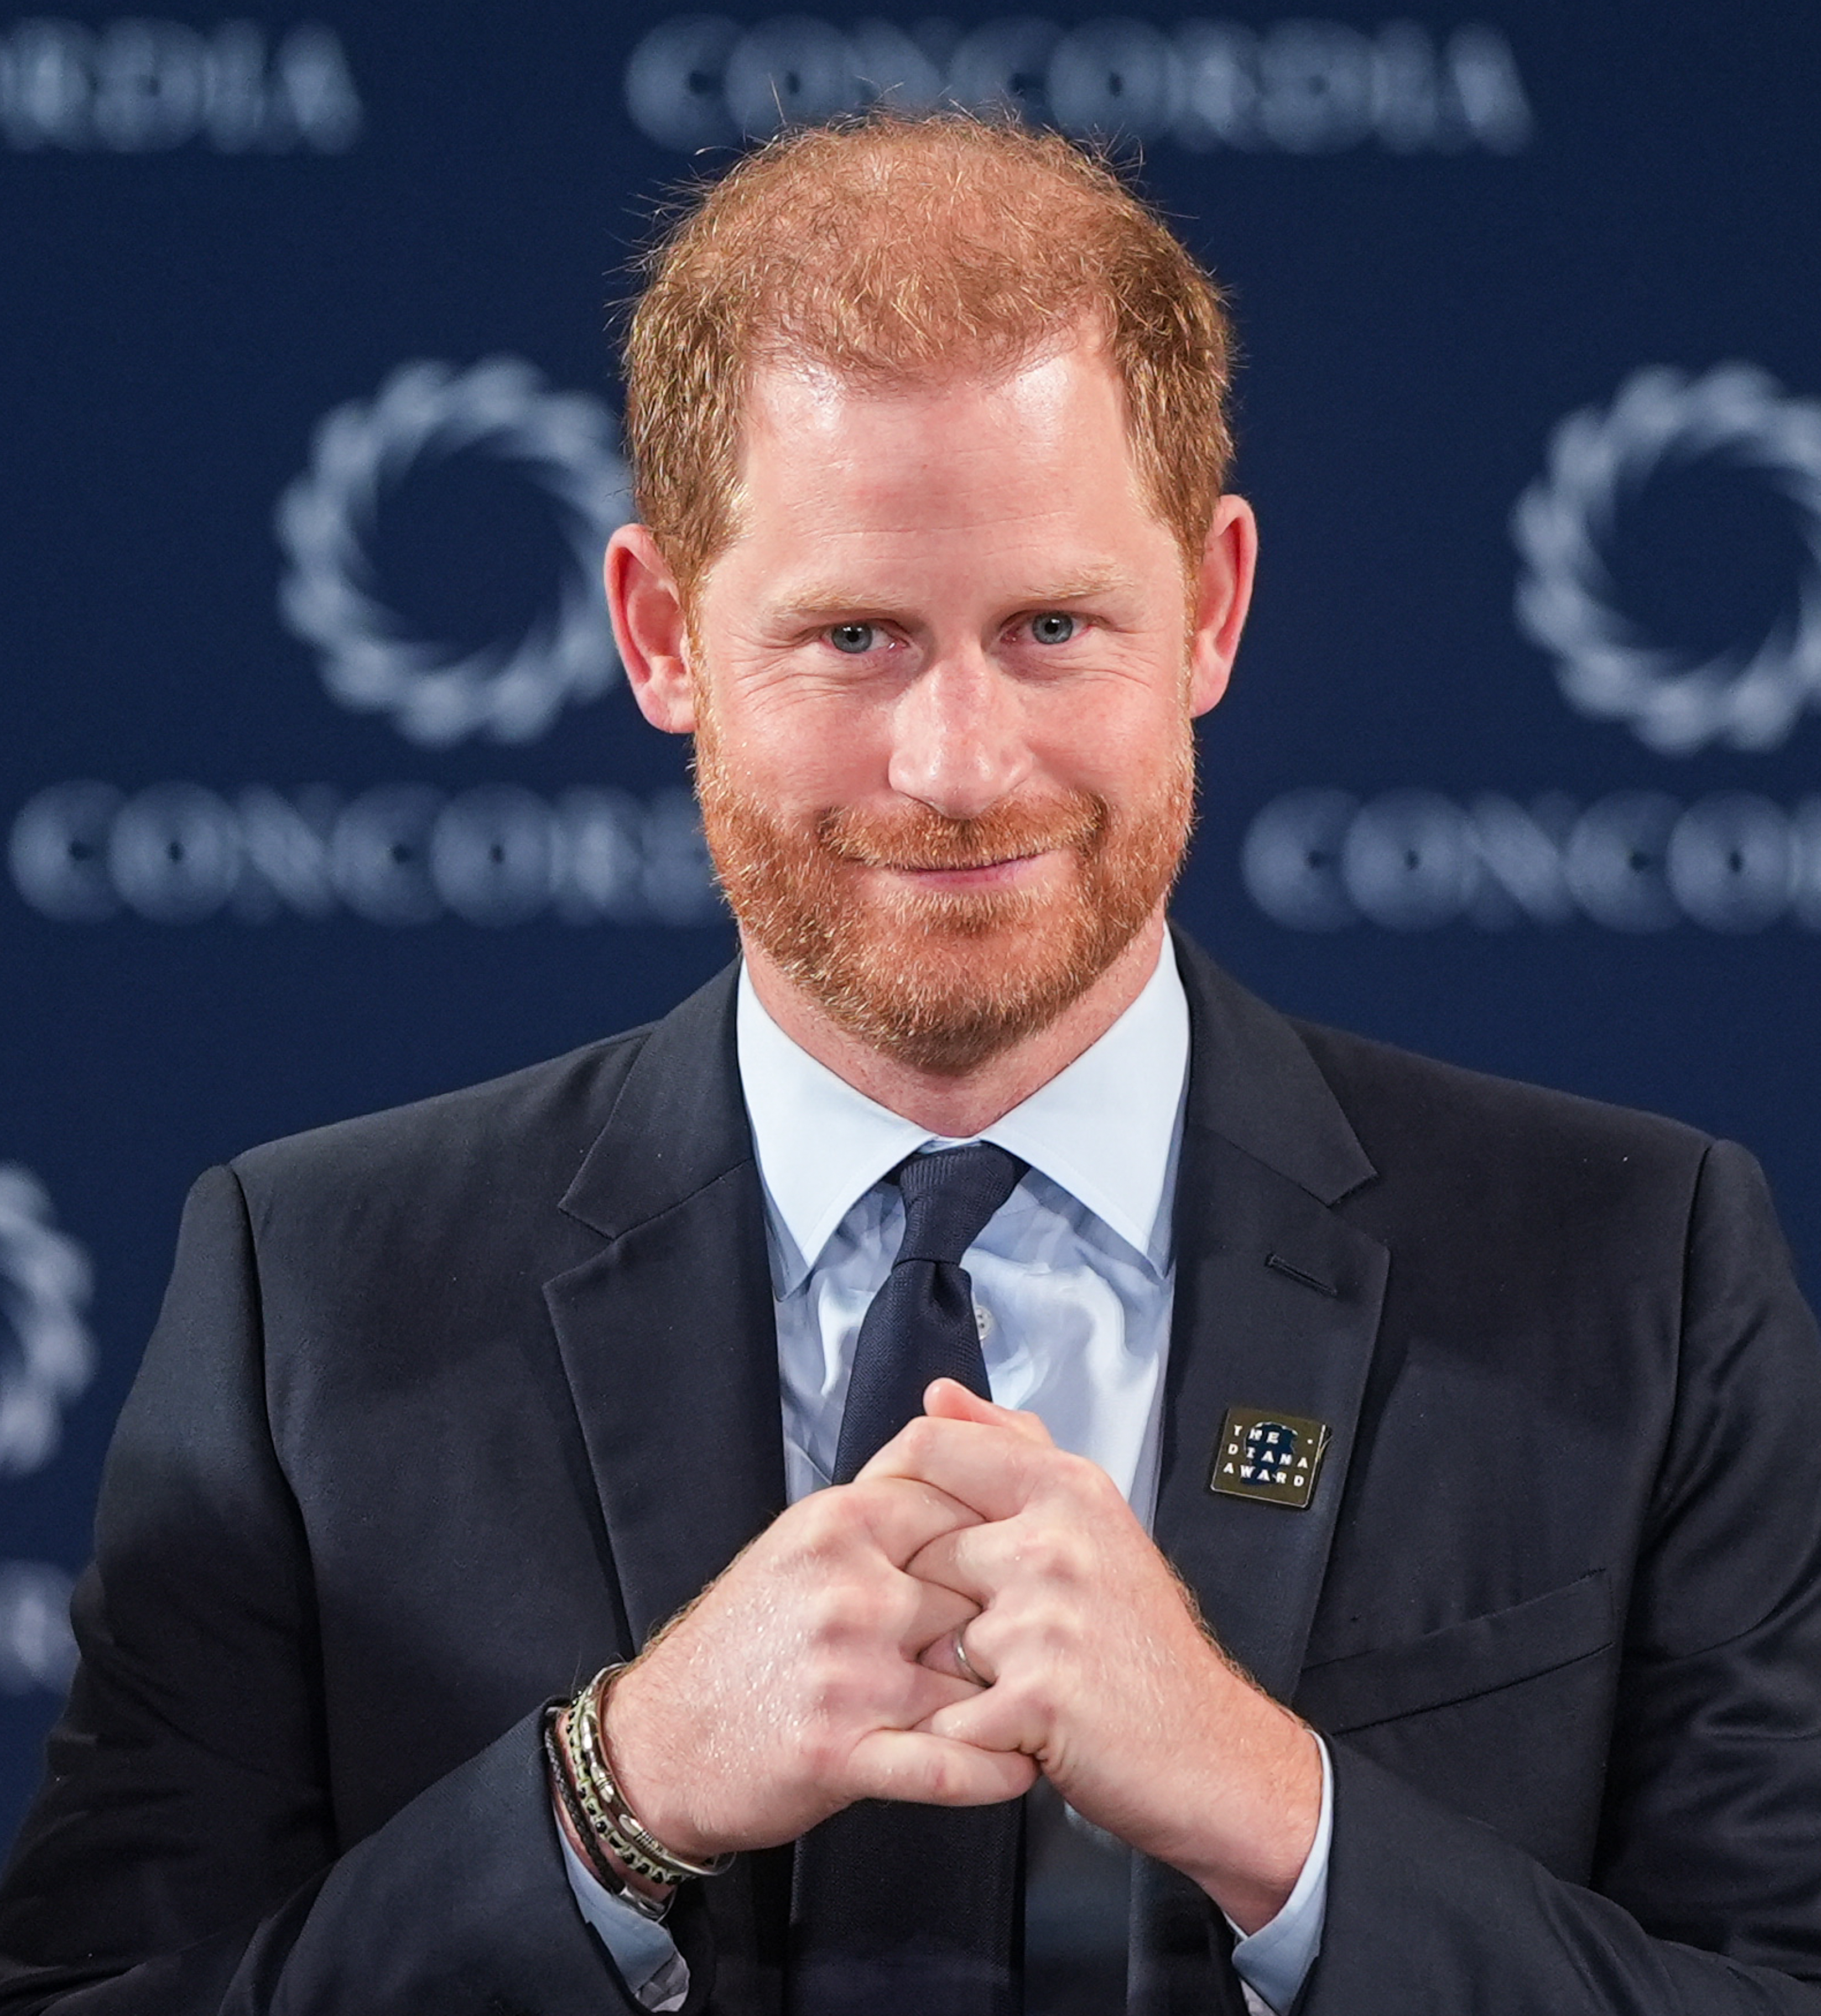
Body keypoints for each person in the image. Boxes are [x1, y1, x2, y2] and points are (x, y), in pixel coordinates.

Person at [3, 112, 1820, 2016]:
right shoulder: (314, 1292)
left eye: (1051, 626)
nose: (957, 767)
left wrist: (1285, 1822)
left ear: (1208, 604)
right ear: (657, 630)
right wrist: (606, 1807)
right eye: (853, 636)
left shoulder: (1638, 1271)